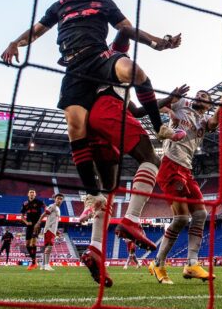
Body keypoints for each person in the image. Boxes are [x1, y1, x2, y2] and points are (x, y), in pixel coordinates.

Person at [0, 0, 183, 215]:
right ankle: (92, 195)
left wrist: (157, 43)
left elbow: (128, 29)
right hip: (74, 69)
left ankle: (159, 127)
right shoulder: (61, 5)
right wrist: (15, 42)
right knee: (76, 127)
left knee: (132, 70)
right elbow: (38, 31)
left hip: (99, 58)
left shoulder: (103, 3)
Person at [79, 70, 189, 287]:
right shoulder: (112, 67)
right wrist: (156, 42)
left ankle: (95, 249)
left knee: (108, 190)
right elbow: (122, 39)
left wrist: (168, 99)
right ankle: (132, 218)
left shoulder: (104, 82)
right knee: (150, 158)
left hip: (93, 122)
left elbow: (138, 111)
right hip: (110, 111)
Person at [148, 84, 222, 284]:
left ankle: (192, 264)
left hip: (186, 169)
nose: (199, 96)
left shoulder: (204, 121)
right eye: (198, 94)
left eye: (204, 95)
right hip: (170, 164)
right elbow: (156, 106)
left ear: (208, 103)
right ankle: (158, 264)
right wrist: (170, 107)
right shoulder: (183, 104)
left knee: (201, 214)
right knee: (181, 219)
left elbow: (215, 122)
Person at [33, 193, 64, 271]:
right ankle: (47, 265)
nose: (59, 200)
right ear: (55, 199)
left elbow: (53, 220)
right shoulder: (52, 206)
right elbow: (43, 214)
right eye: (58, 198)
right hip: (49, 230)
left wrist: (56, 231)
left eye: (61, 199)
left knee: (47, 247)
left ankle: (43, 265)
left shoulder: (57, 208)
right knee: (49, 247)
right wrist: (38, 223)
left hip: (52, 230)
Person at [21, 189, 46, 270]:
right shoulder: (25, 203)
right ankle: (34, 262)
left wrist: (40, 220)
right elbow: (22, 216)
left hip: (37, 225)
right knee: (27, 245)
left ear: (35, 195)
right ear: (28, 194)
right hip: (29, 226)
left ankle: (34, 263)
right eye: (30, 193)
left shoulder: (39, 202)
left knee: (33, 244)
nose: (32, 194)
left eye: (33, 193)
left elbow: (46, 209)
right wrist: (26, 222)